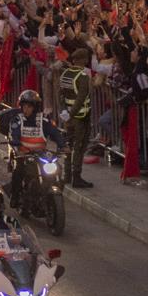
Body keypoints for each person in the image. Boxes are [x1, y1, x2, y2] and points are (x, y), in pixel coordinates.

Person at [58, 46, 96, 189]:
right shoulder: (83, 77)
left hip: (68, 118)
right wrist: (72, 113)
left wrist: (64, 112)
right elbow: (81, 98)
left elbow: (60, 94)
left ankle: (66, 176)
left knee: (68, 146)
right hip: (81, 117)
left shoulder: (65, 74)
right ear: (84, 60)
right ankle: (77, 177)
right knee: (79, 147)